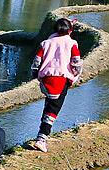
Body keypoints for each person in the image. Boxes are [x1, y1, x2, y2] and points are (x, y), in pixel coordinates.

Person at [27, 17, 82, 153]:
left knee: (49, 105)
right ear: (70, 30)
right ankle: (41, 139)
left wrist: (35, 75)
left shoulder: (46, 43)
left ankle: (41, 135)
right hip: (60, 80)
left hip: (46, 80)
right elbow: (76, 61)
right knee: (53, 110)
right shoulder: (71, 43)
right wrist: (76, 74)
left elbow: (36, 61)